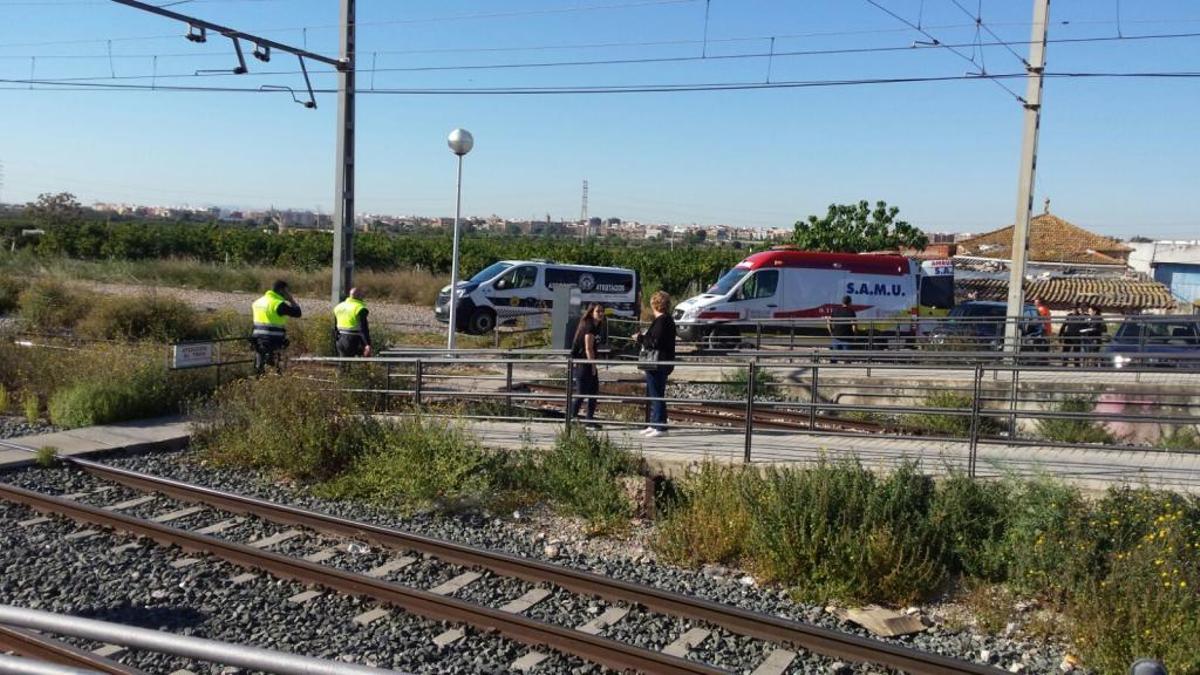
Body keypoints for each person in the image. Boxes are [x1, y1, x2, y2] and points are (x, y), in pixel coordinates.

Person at [637, 291, 677, 438]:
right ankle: (655, 423)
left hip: (657, 362)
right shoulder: (666, 320)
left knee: (656, 393)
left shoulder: (662, 321)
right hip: (660, 361)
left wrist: (640, 338)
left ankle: (660, 425)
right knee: (654, 392)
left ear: (655, 304)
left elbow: (655, 342)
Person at [251, 279, 302, 375]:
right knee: (273, 365)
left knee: (260, 363)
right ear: (282, 290)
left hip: (257, 338)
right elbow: (298, 313)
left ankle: (258, 381)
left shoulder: (257, 302)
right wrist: (291, 300)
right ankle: (273, 381)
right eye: (287, 291)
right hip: (273, 339)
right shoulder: (278, 304)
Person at [569, 303, 605, 425]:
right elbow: (588, 348)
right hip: (584, 362)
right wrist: (593, 366)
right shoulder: (589, 326)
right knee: (582, 392)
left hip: (588, 362)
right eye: (598, 311)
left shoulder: (597, 325)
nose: (600, 314)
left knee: (593, 392)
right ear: (591, 313)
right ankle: (571, 418)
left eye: (602, 311)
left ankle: (589, 420)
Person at [332, 287, 373, 358]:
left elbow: (335, 326)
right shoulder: (360, 308)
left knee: (343, 364)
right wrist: (367, 344)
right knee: (361, 363)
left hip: (340, 339)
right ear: (359, 296)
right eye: (362, 295)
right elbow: (363, 328)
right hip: (354, 339)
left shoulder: (339, 306)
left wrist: (336, 339)